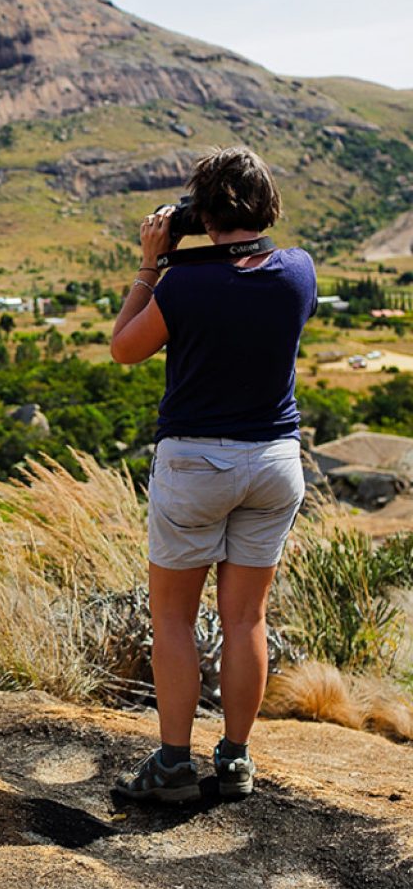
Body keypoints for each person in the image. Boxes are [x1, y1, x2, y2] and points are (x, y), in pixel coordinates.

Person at [109, 146, 317, 802]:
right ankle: (235, 762)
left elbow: (124, 350)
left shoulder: (185, 284)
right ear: (266, 205)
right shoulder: (298, 272)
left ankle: (172, 765)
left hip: (196, 462)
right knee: (245, 619)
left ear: (202, 213)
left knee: (173, 617)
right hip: (275, 463)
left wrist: (151, 262)